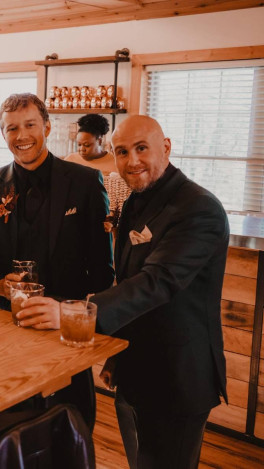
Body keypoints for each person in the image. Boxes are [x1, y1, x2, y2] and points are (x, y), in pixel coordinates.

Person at [91, 115, 228, 469]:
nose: (132, 161)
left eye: (141, 148)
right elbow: (127, 280)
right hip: (135, 369)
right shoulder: (137, 199)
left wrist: (84, 311)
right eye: (122, 152)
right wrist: (117, 357)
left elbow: (158, 281)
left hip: (178, 378)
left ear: (165, 148)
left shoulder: (200, 208)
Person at [0, 92, 114, 429]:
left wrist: (72, 314)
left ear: (47, 126)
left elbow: (102, 269)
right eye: (11, 128)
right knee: (0, 429)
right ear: (3, 133)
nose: (22, 136)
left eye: (30, 125)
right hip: (1, 323)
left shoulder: (85, 182)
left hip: (64, 326)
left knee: (69, 430)